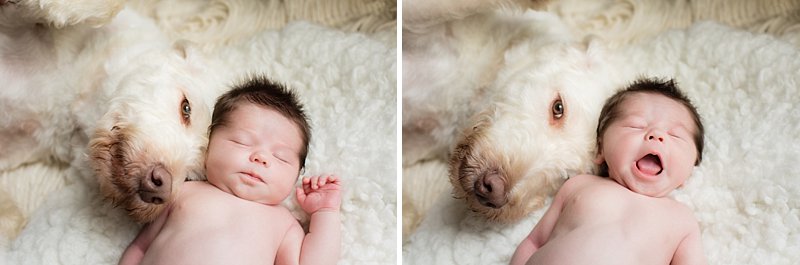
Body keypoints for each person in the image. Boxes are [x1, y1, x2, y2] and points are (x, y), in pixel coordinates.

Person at [119, 77, 341, 265]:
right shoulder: (185, 191)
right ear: (209, 142)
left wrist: (325, 213)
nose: (261, 158)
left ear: (297, 174)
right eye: (242, 142)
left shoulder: (282, 223)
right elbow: (140, 247)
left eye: (280, 157)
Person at [510, 77, 707, 265]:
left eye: (675, 135)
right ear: (601, 149)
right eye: (636, 126)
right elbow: (534, 242)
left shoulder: (681, 219)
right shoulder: (579, 185)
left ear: (690, 170)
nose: (656, 135)